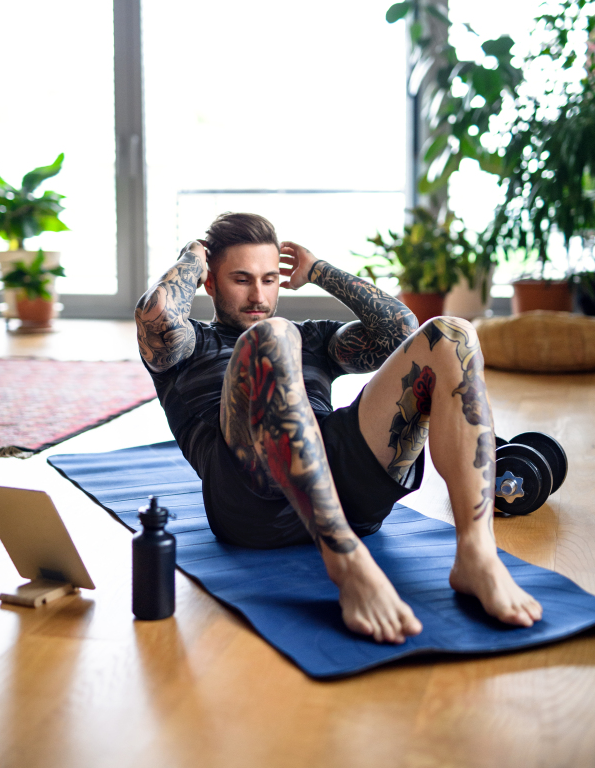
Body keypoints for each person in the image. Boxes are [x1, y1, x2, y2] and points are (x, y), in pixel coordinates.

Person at [135, 211, 542, 644]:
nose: (259, 294)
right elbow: (156, 313)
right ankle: (344, 559)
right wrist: (193, 257)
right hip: (253, 502)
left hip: (347, 491)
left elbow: (401, 330)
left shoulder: (312, 338)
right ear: (210, 283)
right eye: (241, 279)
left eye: (270, 279)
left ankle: (476, 553)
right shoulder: (187, 347)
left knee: (451, 334)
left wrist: (319, 272)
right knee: (271, 336)